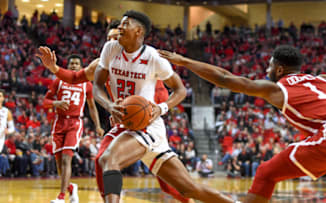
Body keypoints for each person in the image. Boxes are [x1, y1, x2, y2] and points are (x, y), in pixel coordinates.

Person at [158, 45, 326, 203]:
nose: (267, 69)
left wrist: (184, 61)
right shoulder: (324, 80)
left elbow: (225, 78)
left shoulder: (276, 89)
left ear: (279, 69)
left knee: (266, 173)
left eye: (270, 65)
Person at [37, 21, 194, 203]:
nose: (114, 40)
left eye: (116, 36)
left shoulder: (143, 62)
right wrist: (54, 68)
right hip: (125, 124)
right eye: (110, 38)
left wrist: (143, 112)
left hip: (147, 125)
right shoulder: (101, 64)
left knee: (170, 185)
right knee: (101, 159)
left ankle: (191, 199)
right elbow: (75, 77)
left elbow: (163, 95)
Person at [93, 10, 235, 203]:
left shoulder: (154, 57)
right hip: (127, 124)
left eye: (126, 24)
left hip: (147, 125)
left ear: (139, 31)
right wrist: (109, 105)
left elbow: (180, 90)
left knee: (109, 159)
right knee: (189, 189)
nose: (120, 27)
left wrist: (161, 108)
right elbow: (97, 86)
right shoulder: (110, 49)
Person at [43, 54, 104, 203]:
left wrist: (97, 126)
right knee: (59, 166)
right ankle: (71, 188)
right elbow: (45, 101)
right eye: (71, 63)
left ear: (81, 67)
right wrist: (56, 103)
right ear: (68, 65)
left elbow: (91, 107)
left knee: (66, 160)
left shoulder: (86, 84)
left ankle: (61, 197)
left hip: (75, 123)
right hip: (59, 122)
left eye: (77, 64)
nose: (74, 66)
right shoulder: (59, 81)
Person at [0, 89, 15, 154]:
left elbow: (12, 128)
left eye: (0, 96)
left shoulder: (7, 112)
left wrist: (8, 131)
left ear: (3, 98)